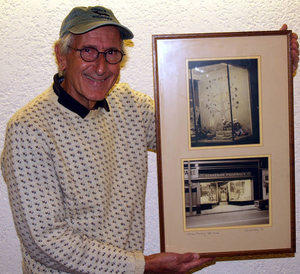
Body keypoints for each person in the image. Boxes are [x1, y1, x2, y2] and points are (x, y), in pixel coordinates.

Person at [1, 5, 298, 274]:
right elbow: (47, 240)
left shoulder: (130, 105)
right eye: (88, 51)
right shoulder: (29, 129)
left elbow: (201, 132)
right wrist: (142, 266)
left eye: (112, 53)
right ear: (61, 56)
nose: (101, 67)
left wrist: (271, 71)